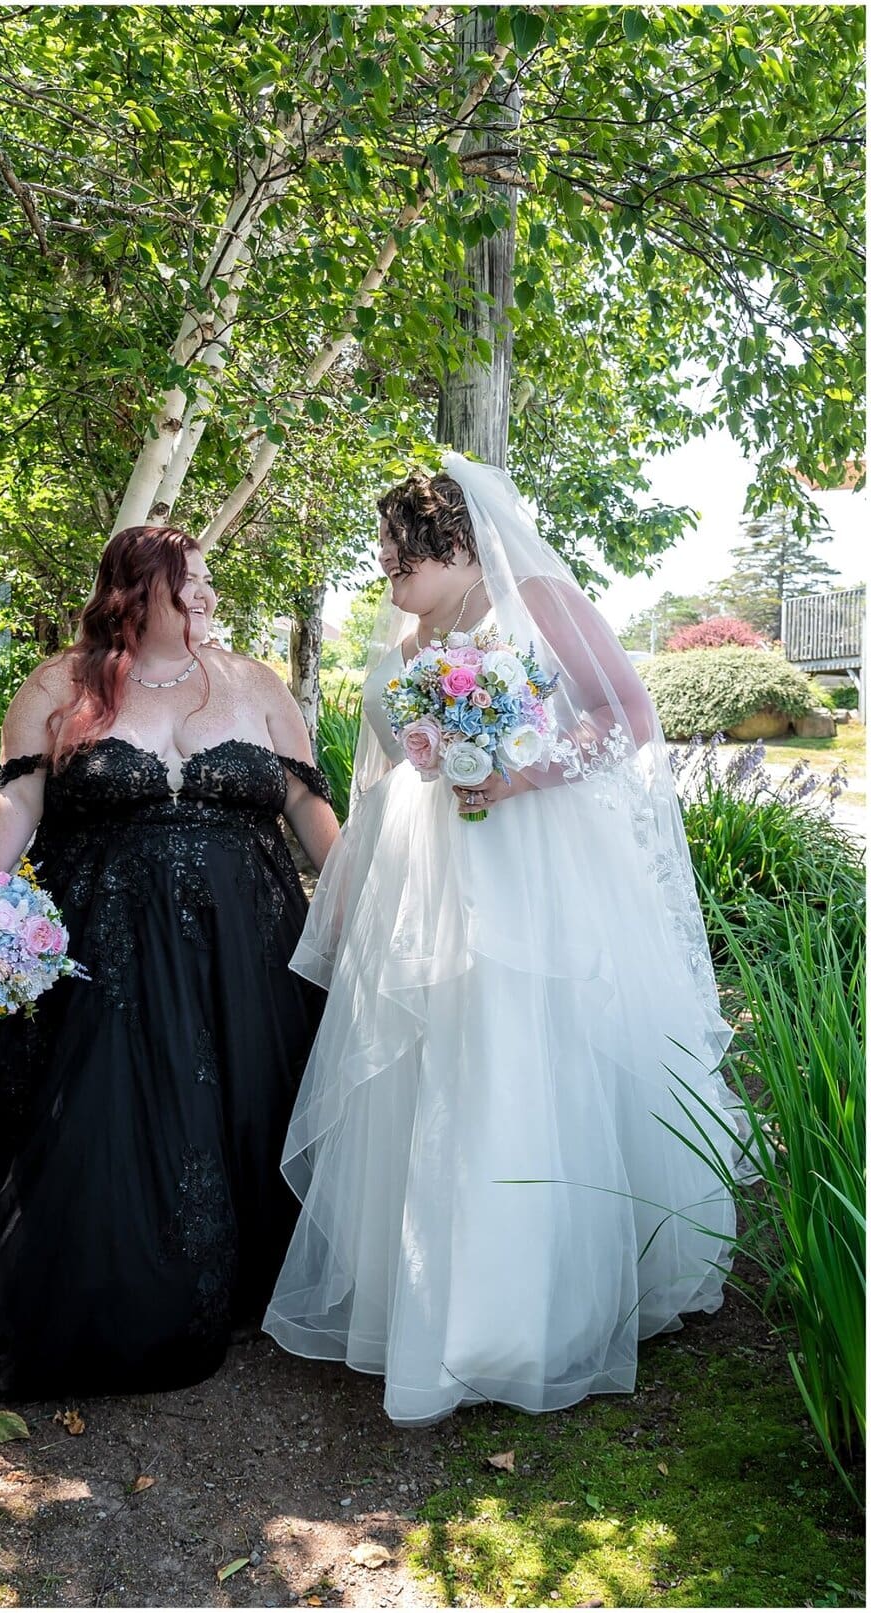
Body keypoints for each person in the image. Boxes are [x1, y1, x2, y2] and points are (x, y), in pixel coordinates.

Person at [264, 453, 752, 1427]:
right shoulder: (414, 633)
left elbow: (630, 715)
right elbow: (401, 762)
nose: (389, 577)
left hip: (537, 865)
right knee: (440, 1059)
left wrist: (518, 774)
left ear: (452, 540)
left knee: (525, 1055)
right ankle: (433, 1295)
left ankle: (529, 1309)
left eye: (400, 558)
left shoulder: (532, 595)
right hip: (433, 869)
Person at [0, 525, 340, 1397]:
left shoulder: (257, 685)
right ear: (135, 590)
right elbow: (14, 810)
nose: (208, 597)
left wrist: (370, 912)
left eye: (209, 583)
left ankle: (261, 1282)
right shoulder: (58, 687)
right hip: (108, 952)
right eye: (189, 583)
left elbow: (312, 819)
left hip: (248, 958)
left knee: (251, 1104)